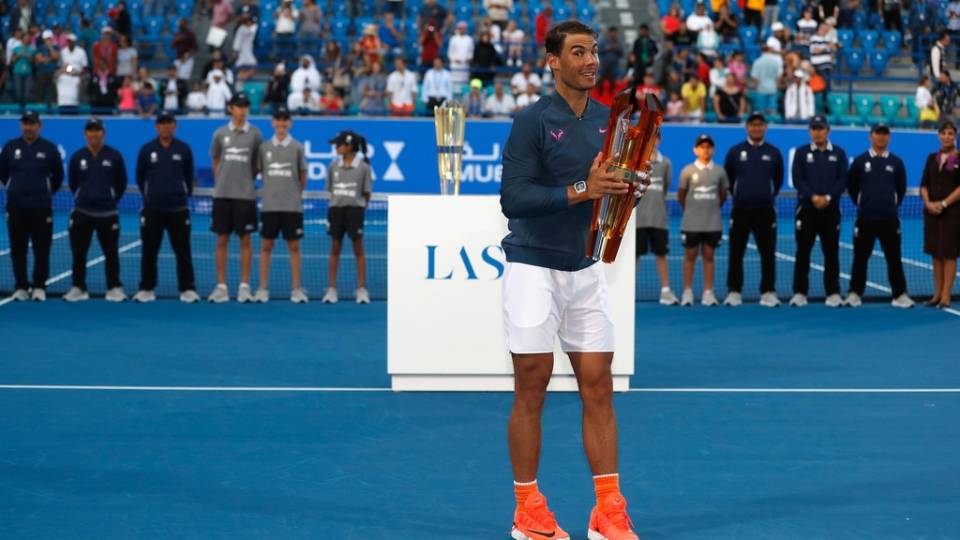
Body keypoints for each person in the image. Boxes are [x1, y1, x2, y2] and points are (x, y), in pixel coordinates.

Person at [499, 20, 641, 540]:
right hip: (532, 266)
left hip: (584, 269)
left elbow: (614, 187)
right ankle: (527, 509)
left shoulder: (612, 121)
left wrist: (628, 188)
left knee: (599, 387)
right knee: (531, 387)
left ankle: (607, 511)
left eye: (594, 51)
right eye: (578, 52)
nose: (590, 60)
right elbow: (513, 199)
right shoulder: (531, 121)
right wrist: (584, 188)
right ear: (552, 61)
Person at [844, 123, 912, 308]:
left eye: (884, 134)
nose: (881, 137)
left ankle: (899, 295)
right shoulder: (859, 161)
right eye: (877, 134)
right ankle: (855, 293)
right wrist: (863, 202)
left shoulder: (896, 162)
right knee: (860, 257)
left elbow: (901, 188)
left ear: (889, 137)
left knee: (894, 258)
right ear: (870, 136)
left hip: (889, 219)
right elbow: (852, 187)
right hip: (865, 218)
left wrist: (890, 204)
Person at [133, 112, 199, 303]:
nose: (165, 127)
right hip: (152, 209)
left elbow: (188, 177)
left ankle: (187, 288)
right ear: (156, 127)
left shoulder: (184, 149)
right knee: (149, 250)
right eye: (161, 123)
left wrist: (180, 195)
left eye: (169, 123)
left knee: (183, 251)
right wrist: (151, 196)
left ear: (175, 126)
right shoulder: (146, 150)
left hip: (178, 209)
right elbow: (140, 177)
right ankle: (147, 288)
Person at [0, 112, 65, 302]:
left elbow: (58, 177)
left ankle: (39, 286)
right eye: (25, 124)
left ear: (39, 126)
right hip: (16, 207)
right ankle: (21, 286)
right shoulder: (11, 147)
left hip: (41, 208)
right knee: (17, 249)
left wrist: (43, 192)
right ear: (21, 126)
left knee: (41, 248)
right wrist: (15, 187)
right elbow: (3, 174)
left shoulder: (50, 149)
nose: (28, 127)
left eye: (32, 124)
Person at [62, 119, 127, 302]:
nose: (94, 133)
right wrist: (84, 196)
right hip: (82, 213)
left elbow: (121, 182)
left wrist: (110, 197)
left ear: (103, 133)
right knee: (79, 253)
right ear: (85, 134)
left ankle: (114, 287)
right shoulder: (77, 157)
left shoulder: (114, 156)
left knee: (111, 253)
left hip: (108, 213)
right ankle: (78, 287)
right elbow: (74, 183)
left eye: (97, 130)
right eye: (90, 130)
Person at [723, 112, 784, 307]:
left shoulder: (774, 152)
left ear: (765, 127)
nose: (756, 128)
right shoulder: (735, 151)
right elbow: (729, 179)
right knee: (736, 252)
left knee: (767, 252)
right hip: (740, 210)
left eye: (760, 125)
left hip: (765, 211)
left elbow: (778, 179)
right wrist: (740, 194)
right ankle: (734, 291)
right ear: (747, 128)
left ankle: (768, 291)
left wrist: (766, 194)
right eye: (753, 125)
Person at [207, 93, 263, 303]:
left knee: (245, 240)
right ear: (230, 108)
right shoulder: (220, 133)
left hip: (245, 196)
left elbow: (256, 165)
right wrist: (223, 181)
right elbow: (215, 161)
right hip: (222, 195)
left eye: (245, 106)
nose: (242, 110)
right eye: (238, 106)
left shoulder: (255, 134)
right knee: (222, 240)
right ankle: (221, 286)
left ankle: (244, 286)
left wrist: (244, 181)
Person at [789, 115, 848, 307]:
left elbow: (842, 180)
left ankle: (832, 292)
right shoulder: (801, 152)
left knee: (831, 253)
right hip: (807, 210)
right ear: (809, 131)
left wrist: (828, 197)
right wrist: (813, 197)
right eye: (814, 128)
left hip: (831, 212)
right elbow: (798, 179)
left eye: (821, 128)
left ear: (828, 131)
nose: (818, 132)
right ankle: (799, 292)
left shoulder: (839, 153)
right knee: (803, 252)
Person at [255, 107, 308, 303]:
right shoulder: (264, 148)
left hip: (291, 207)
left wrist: (294, 194)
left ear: (290, 123)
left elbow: (303, 175)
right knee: (266, 246)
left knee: (294, 247)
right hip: (269, 206)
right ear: (272, 123)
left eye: (285, 120)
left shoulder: (297, 147)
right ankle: (262, 288)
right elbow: (259, 171)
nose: (281, 124)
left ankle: (296, 289)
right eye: (278, 120)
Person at [678, 134, 729, 307]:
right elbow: (681, 195)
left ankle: (708, 292)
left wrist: (712, 208)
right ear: (695, 149)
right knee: (690, 255)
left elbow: (723, 195)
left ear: (713, 150)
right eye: (702, 146)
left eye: (708, 147)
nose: (705, 150)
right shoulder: (687, 170)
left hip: (713, 222)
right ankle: (687, 292)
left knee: (709, 256)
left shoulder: (720, 171)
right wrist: (692, 210)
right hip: (691, 222)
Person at [323, 130, 372, 305]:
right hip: (336, 210)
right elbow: (330, 190)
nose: (336, 147)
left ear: (349, 146)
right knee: (335, 248)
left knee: (358, 249)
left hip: (355, 211)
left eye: (339, 144)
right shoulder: (333, 167)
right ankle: (331, 289)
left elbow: (366, 193)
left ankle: (361, 289)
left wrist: (358, 205)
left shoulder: (364, 168)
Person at [920, 120, 960, 308]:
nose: (946, 137)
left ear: (955, 136)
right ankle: (936, 293)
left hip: (953, 213)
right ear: (938, 136)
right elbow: (924, 185)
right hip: (932, 212)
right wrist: (928, 203)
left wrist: (943, 204)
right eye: (943, 133)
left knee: (950, 254)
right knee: (936, 253)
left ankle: (946, 295)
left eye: (950, 133)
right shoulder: (931, 158)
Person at [635, 135, 678, 305]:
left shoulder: (665, 163)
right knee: (634, 256)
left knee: (662, 255)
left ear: (659, 140)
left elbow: (665, 188)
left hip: (659, 220)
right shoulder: (636, 162)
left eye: (656, 137)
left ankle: (666, 292)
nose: (653, 141)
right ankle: (628, 292)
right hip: (638, 220)